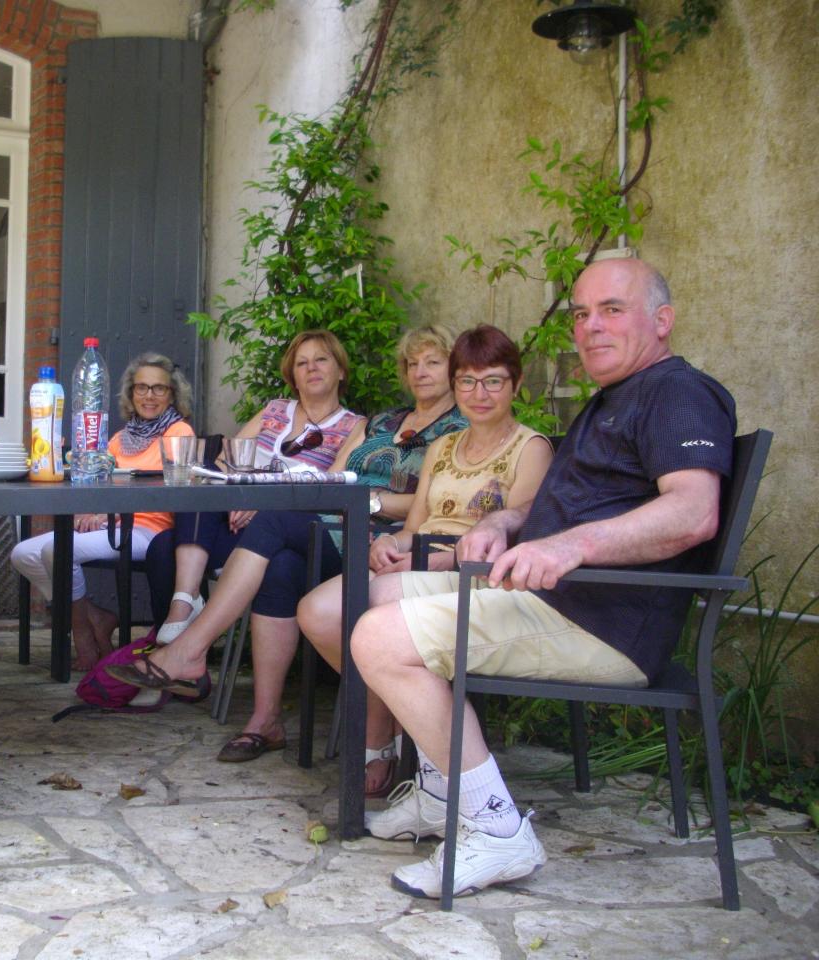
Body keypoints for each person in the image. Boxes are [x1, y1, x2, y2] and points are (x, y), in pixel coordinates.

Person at [305, 258, 735, 900]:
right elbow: (555, 505)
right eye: (582, 314)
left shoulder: (678, 393)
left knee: (379, 639)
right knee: (363, 600)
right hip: (549, 596)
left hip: (599, 620)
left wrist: (571, 546)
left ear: (662, 321)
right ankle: (439, 793)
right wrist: (505, 521)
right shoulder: (614, 399)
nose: (590, 327)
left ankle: (494, 828)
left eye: (612, 310)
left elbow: (694, 512)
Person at [109, 325, 467, 765]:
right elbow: (329, 478)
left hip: (372, 540)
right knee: (277, 566)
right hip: (325, 528)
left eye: (432, 362)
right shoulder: (381, 422)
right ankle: (265, 721)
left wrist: (368, 501)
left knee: (274, 521)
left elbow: (431, 501)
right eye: (413, 363)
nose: (420, 372)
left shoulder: (457, 431)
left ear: (455, 369)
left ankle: (187, 649)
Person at [300, 325, 552, 796]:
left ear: (516, 384)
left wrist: (429, 562)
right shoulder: (441, 447)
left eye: (493, 380)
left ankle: (379, 742)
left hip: (477, 577)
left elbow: (517, 538)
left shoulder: (531, 448)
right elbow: (415, 525)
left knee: (370, 609)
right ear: (456, 387)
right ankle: (394, 719)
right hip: (416, 564)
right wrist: (390, 545)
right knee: (316, 612)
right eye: (467, 382)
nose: (479, 393)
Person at [110, 330, 365, 712]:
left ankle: (179, 649)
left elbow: (331, 487)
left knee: (265, 561)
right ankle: (182, 621)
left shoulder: (354, 426)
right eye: (301, 362)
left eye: (321, 360)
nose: (311, 368)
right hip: (237, 519)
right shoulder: (274, 411)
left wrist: (259, 499)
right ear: (292, 375)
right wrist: (238, 492)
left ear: (341, 370)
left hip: (290, 528)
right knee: (172, 532)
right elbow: (230, 459)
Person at [10, 353, 195, 669]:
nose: (148, 396)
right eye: (141, 388)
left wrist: (113, 514)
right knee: (22, 553)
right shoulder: (121, 438)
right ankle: (97, 617)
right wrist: (88, 511)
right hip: (113, 526)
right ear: (130, 392)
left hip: (151, 531)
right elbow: (98, 482)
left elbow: (174, 496)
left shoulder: (179, 433)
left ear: (172, 394)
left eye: (158, 389)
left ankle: (81, 634)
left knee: (59, 550)